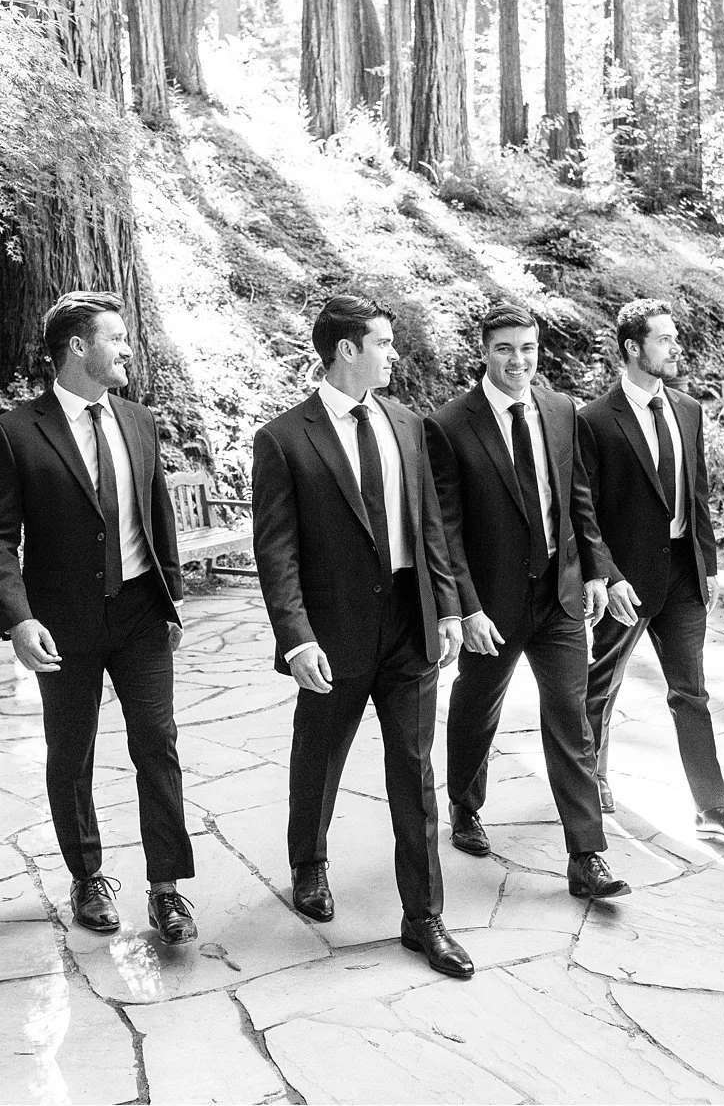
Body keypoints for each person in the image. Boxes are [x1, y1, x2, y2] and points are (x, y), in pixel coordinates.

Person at [250, 295, 472, 978]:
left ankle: (424, 916)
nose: (393, 354)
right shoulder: (284, 439)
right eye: (382, 342)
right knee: (319, 758)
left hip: (410, 626)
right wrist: (296, 637)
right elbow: (276, 550)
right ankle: (309, 863)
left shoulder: (408, 424)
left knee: (414, 770)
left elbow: (430, 525)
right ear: (347, 349)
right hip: (333, 632)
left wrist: (449, 607)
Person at [0, 291, 199, 944]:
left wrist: (172, 598)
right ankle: (87, 875)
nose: (128, 349)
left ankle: (166, 887)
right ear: (77, 347)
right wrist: (18, 619)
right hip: (62, 624)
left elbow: (158, 514)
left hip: (140, 613)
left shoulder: (139, 420)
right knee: (70, 751)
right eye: (115, 338)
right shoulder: (16, 432)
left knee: (157, 743)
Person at [425, 303, 631, 900]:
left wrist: (597, 572)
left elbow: (578, 500)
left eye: (528, 348)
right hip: (491, 604)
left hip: (559, 594)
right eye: (504, 349)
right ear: (484, 352)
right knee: (477, 705)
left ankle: (587, 856)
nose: (518, 361)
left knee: (570, 717)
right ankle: (465, 804)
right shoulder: (449, 425)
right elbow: (446, 529)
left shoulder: (560, 409)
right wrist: (466, 607)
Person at [581, 299, 724, 838]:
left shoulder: (687, 409)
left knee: (691, 692)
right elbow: (584, 511)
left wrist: (708, 564)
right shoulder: (594, 420)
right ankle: (589, 778)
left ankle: (712, 806)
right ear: (632, 348)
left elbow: (697, 491)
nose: (674, 347)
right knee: (601, 686)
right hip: (627, 580)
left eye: (674, 337)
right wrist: (608, 576)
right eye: (663, 339)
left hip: (684, 572)